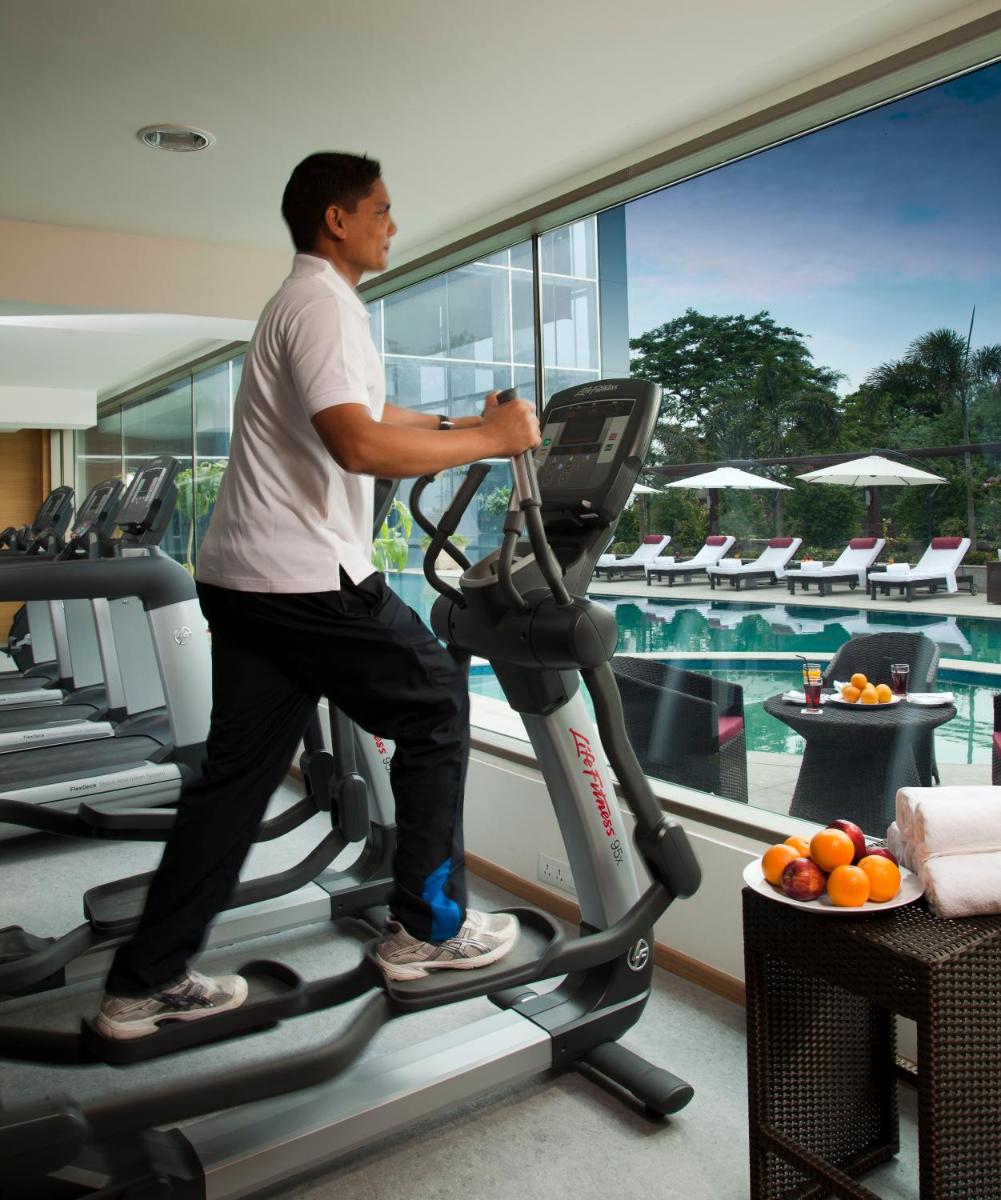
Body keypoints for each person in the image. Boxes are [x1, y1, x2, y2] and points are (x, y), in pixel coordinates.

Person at [96, 152, 541, 1040]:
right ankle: (425, 928)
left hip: (243, 580)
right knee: (436, 706)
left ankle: (141, 986)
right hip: (302, 578)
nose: (392, 223)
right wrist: (490, 436)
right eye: (381, 208)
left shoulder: (301, 304)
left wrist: (472, 431)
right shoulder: (325, 306)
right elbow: (358, 447)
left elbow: (377, 416)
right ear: (337, 219)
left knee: (232, 784)